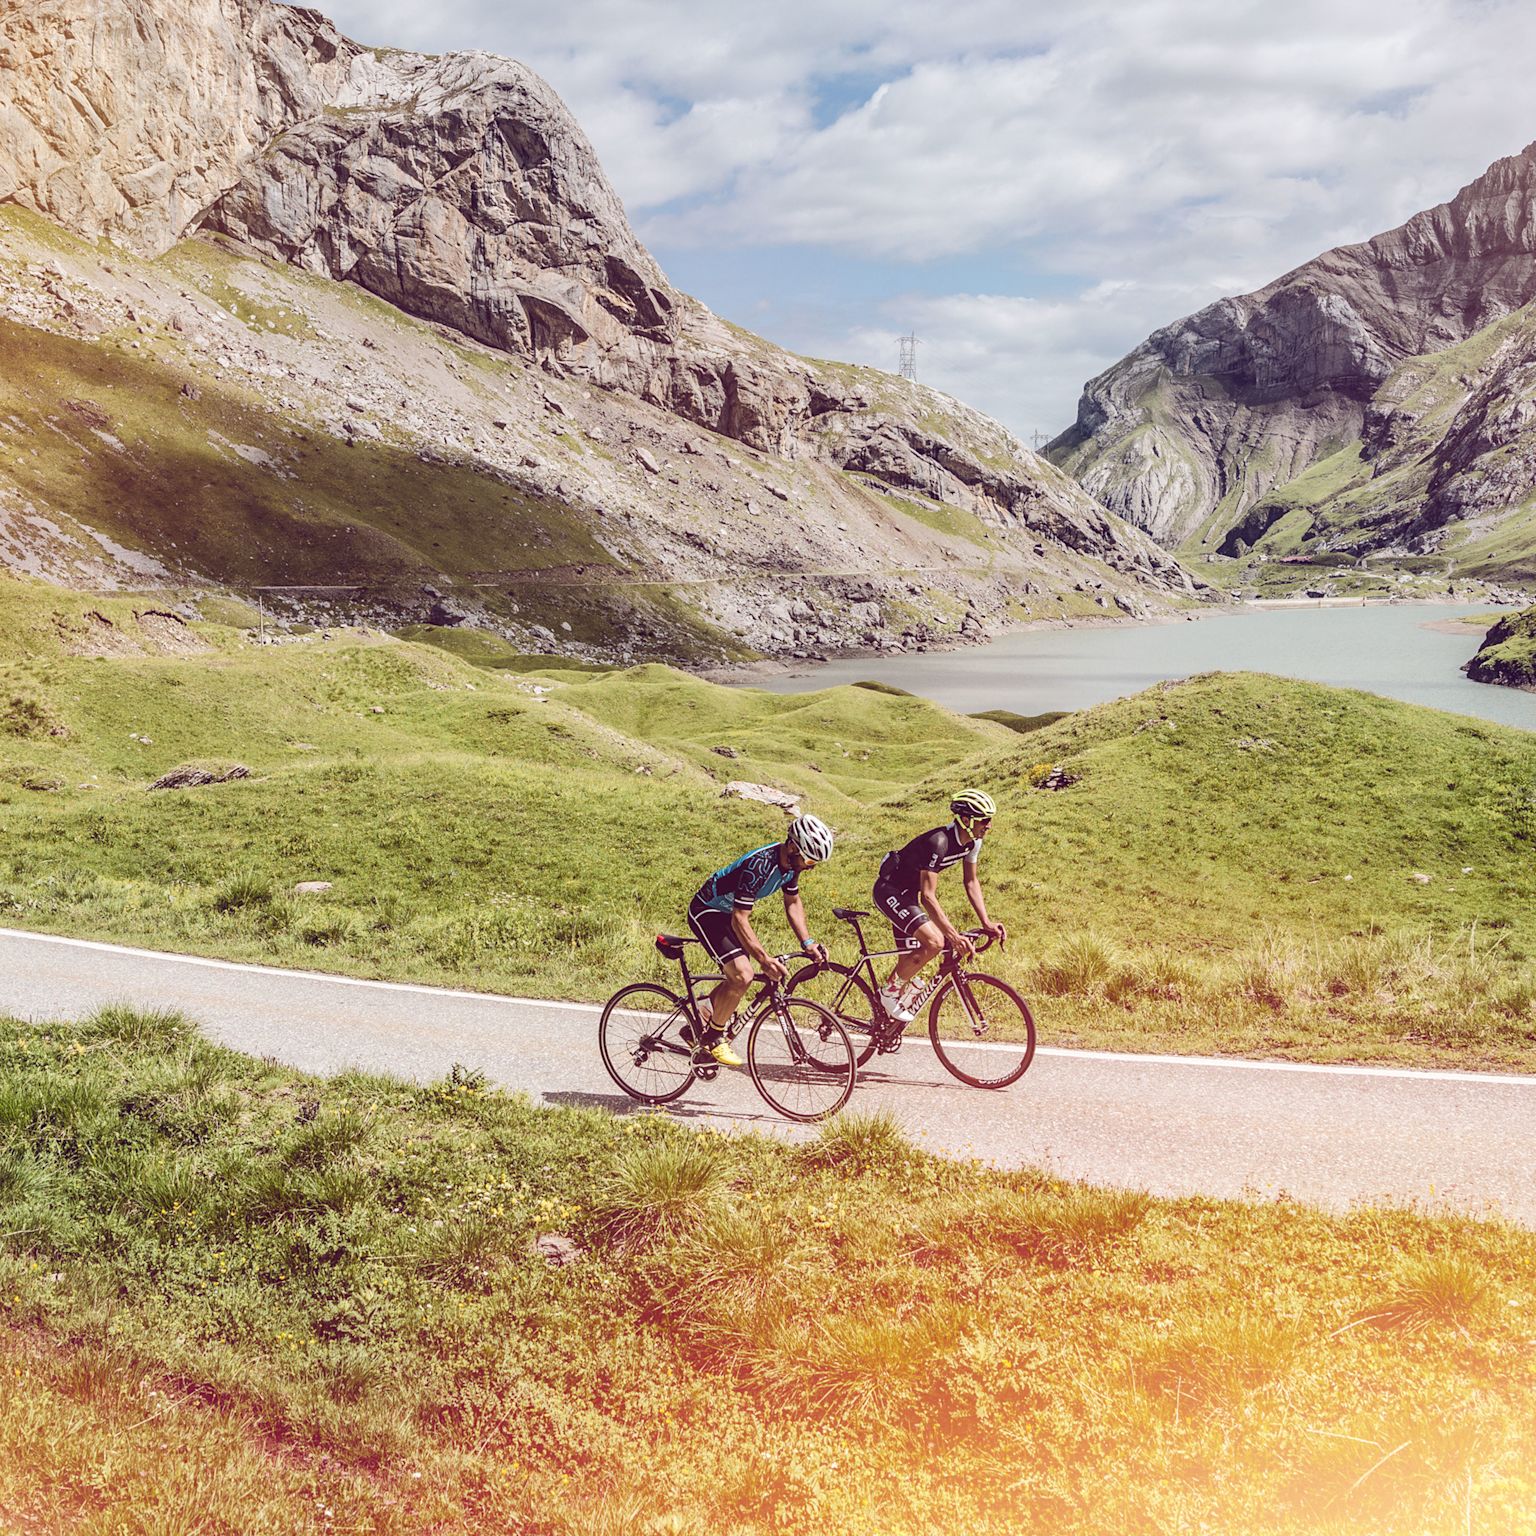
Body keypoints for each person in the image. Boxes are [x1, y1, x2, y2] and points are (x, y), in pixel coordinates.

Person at [684, 813, 835, 1065]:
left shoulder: (790, 865)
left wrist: (808, 943)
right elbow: (740, 919)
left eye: (815, 862)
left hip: (728, 914)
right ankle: (713, 1038)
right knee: (743, 974)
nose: (811, 866)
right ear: (792, 846)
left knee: (740, 974)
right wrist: (764, 959)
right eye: (809, 859)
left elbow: (793, 902)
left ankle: (703, 1015)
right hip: (708, 911)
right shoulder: (760, 865)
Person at [871, 789, 1006, 1022]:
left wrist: (986, 922)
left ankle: (882, 1020)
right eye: (985, 820)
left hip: (908, 895)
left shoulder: (973, 843)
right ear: (966, 820)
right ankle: (888, 995)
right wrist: (953, 936)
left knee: (910, 960)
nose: (989, 825)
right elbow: (928, 896)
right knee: (935, 942)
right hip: (889, 891)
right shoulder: (939, 842)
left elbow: (971, 881)